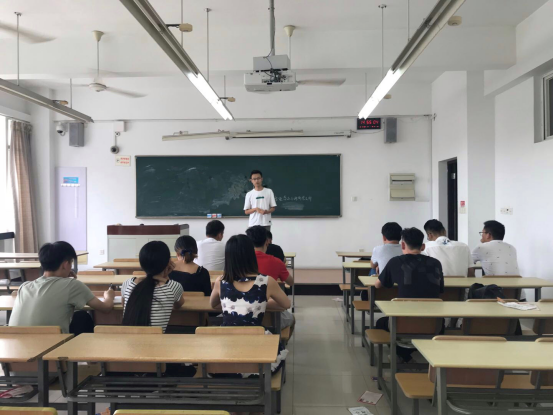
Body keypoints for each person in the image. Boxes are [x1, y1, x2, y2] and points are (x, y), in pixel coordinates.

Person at [210, 234, 290, 375]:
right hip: (256, 348)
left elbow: (213, 304)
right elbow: (286, 304)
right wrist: (259, 304)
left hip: (226, 349)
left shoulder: (220, 281)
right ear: (251, 255)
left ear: (228, 258)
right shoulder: (266, 281)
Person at [9, 241, 114, 335]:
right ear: (65, 264)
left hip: (15, 345)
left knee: (78, 316)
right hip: (49, 346)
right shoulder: (72, 285)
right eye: (71, 262)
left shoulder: (24, 287)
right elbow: (106, 308)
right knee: (83, 317)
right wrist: (109, 296)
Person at [375, 227, 444, 363]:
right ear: (423, 246)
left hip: (403, 323)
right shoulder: (436, 263)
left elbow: (378, 285)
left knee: (380, 323)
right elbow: (441, 290)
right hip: (435, 324)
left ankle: (402, 354)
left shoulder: (395, 261)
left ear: (402, 245)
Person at [122, 241, 184, 333]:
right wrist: (166, 277)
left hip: (127, 340)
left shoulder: (127, 284)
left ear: (141, 263)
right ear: (168, 263)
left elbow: (124, 305)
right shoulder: (173, 287)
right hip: (155, 341)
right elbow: (178, 305)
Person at [246, 225, 295, 331]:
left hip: (243, 313)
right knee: (292, 318)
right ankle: (281, 339)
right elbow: (291, 282)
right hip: (271, 313)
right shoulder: (276, 262)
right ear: (267, 241)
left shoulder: (240, 261)